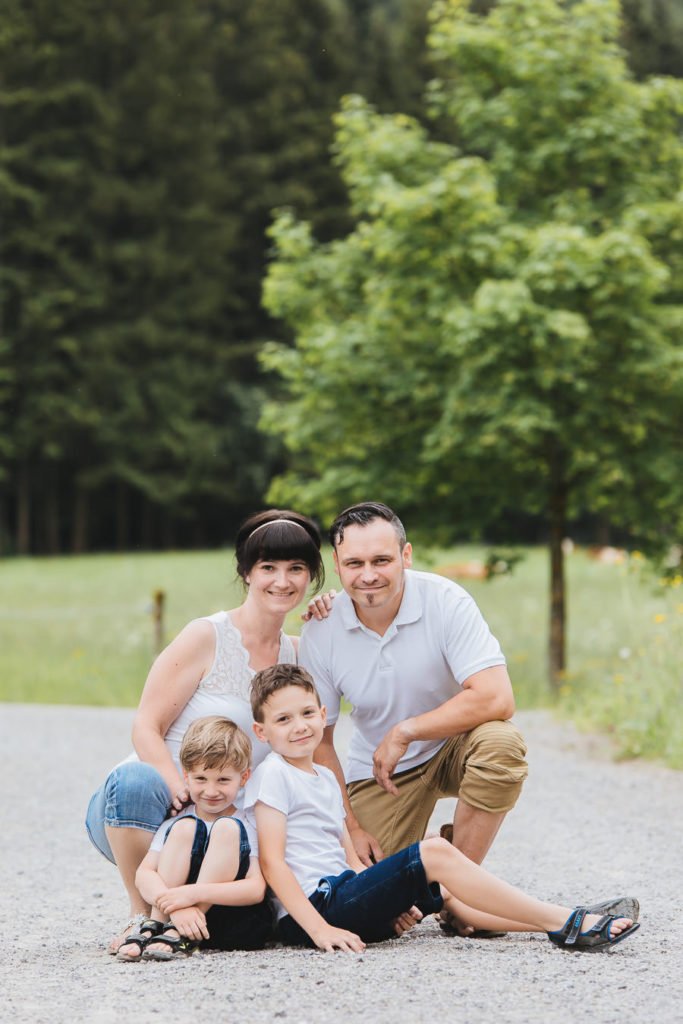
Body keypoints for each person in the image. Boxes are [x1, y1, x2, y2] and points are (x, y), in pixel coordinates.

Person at [243, 664, 639, 954]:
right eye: (283, 719)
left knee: (447, 891)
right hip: (313, 911)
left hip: (345, 894)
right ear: (262, 732)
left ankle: (560, 921)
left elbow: (347, 854)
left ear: (325, 715)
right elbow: (273, 864)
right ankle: (566, 921)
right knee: (433, 851)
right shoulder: (273, 775)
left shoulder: (325, 778)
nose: (300, 726)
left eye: (308, 714)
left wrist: (380, 896)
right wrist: (318, 930)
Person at [86, 509, 324, 954]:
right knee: (137, 777)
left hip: (223, 821)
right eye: (268, 567)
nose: (282, 581)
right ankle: (144, 917)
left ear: (311, 577)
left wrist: (334, 611)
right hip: (150, 808)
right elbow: (145, 726)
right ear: (246, 573)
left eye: (296, 569)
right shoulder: (206, 636)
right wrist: (177, 786)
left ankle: (187, 912)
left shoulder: (298, 654)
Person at [299, 501, 529, 934]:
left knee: (501, 744)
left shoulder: (446, 600)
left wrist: (407, 730)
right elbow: (319, 742)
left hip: (454, 746)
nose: (368, 574)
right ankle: (440, 861)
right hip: (380, 772)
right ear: (337, 564)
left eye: (382, 560)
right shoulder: (321, 629)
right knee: (376, 903)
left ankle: (460, 898)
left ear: (406, 556)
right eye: (355, 563)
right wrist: (349, 826)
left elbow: (497, 697)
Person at [117, 716, 271, 962]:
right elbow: (144, 874)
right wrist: (176, 907)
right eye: (201, 779)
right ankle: (157, 925)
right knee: (184, 828)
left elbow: (256, 889)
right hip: (173, 917)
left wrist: (191, 896)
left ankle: (180, 931)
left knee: (227, 828)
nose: (211, 791)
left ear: (243, 777)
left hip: (227, 917)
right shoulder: (176, 821)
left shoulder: (249, 822)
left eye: (223, 780)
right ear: (186, 775)